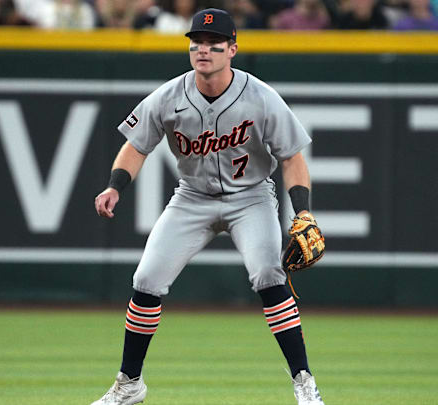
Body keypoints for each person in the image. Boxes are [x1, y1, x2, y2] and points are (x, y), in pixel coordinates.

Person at [91, 8, 325, 405]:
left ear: (232, 50)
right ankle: (129, 385)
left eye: (214, 45)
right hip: (192, 197)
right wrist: (115, 186)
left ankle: (305, 384)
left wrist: (302, 211)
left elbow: (292, 157)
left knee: (269, 274)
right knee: (146, 279)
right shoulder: (169, 95)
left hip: (250, 197)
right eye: (196, 43)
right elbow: (135, 146)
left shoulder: (260, 97)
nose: (203, 50)